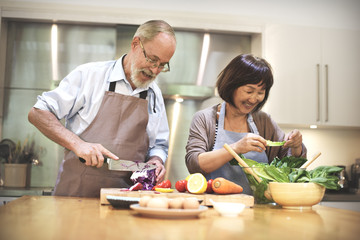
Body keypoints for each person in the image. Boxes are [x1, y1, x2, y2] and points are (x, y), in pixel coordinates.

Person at [28, 20, 177, 197]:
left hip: (125, 200)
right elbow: (38, 112)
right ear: (136, 44)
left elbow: (159, 144)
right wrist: (78, 144)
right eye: (152, 60)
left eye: (162, 65)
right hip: (75, 197)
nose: (155, 69)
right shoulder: (89, 75)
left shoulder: (154, 94)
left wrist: (156, 160)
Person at [185, 54, 306, 195]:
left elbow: (289, 163)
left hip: (259, 208)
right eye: (249, 91)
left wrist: (296, 146)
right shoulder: (205, 119)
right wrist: (236, 148)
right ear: (232, 86)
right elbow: (195, 164)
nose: (254, 98)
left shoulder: (264, 121)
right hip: (215, 206)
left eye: (261, 92)